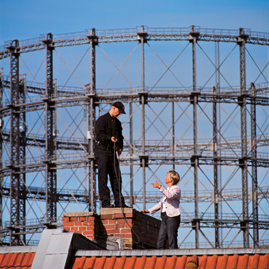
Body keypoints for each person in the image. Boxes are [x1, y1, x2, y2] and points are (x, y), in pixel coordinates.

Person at [94, 101, 127, 208]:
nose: (120, 114)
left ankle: (119, 203)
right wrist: (109, 138)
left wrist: (120, 146)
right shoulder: (102, 120)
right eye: (119, 111)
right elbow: (99, 136)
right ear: (113, 108)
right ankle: (106, 203)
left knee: (117, 177)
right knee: (103, 177)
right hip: (102, 151)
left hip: (112, 153)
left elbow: (120, 136)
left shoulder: (117, 123)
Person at [140, 170, 181, 249]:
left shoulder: (176, 189)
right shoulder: (167, 190)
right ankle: (161, 259)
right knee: (160, 241)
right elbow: (161, 203)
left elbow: (170, 196)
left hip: (172, 217)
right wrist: (148, 210)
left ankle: (174, 257)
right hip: (164, 217)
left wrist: (160, 187)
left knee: (172, 240)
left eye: (167, 176)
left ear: (171, 179)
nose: (165, 177)